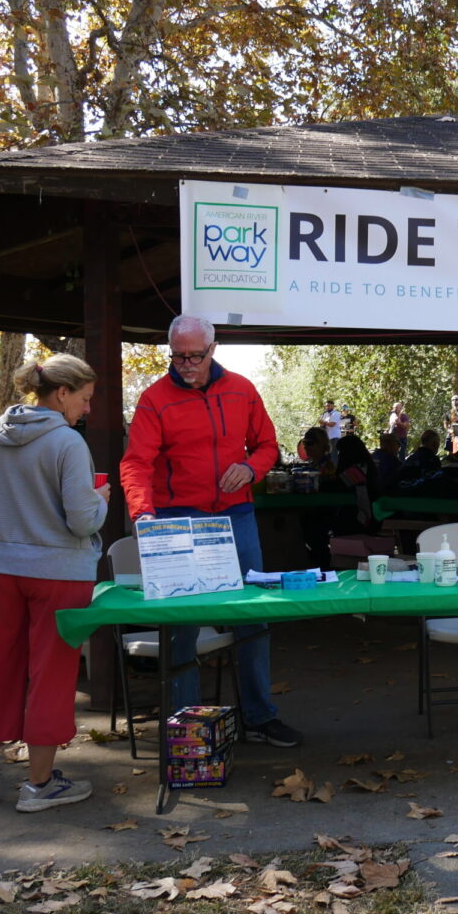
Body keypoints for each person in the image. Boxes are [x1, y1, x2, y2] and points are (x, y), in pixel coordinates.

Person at [119, 315, 303, 748]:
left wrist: (251, 468)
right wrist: (143, 514)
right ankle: (188, 727)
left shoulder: (242, 389)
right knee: (183, 621)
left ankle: (259, 717)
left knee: (253, 616)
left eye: (194, 356)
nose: (186, 364)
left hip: (236, 515)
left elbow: (267, 446)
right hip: (177, 518)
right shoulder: (154, 399)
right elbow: (136, 463)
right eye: (178, 356)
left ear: (213, 350)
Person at [0, 353, 108, 812]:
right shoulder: (68, 442)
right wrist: (99, 501)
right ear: (61, 394)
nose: (88, 408)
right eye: (86, 398)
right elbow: (80, 521)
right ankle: (39, 784)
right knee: (52, 675)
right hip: (57, 573)